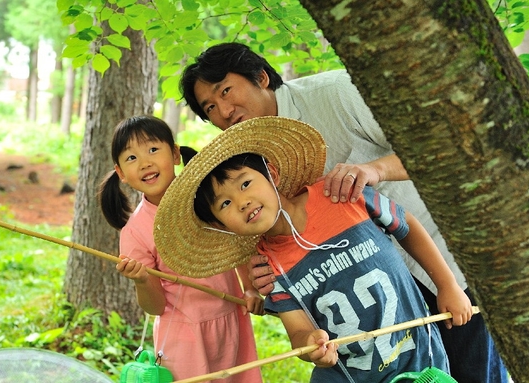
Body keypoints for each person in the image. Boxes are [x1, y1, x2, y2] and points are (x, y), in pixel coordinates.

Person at [179, 42, 508, 382]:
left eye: (226, 91)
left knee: (472, 368)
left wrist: (375, 170)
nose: (224, 110)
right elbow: (271, 227)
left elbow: (437, 144)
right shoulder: (247, 161)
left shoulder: (337, 93)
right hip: (369, 295)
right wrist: (258, 267)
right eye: (210, 107)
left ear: (261, 77)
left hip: (440, 252)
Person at [153, 116, 473, 382]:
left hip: (418, 358)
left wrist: (447, 285)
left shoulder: (341, 196)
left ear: (272, 174)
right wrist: (310, 347)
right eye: (225, 203)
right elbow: (298, 331)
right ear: (222, 226)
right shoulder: (269, 269)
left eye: (245, 183)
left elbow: (408, 228)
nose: (242, 201)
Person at [98, 115, 264, 382]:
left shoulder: (206, 199)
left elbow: (236, 242)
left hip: (232, 319)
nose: (145, 163)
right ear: (121, 174)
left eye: (153, 149)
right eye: (131, 158)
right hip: (184, 336)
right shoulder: (136, 232)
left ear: (175, 154)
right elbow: (155, 306)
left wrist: (250, 286)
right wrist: (142, 280)